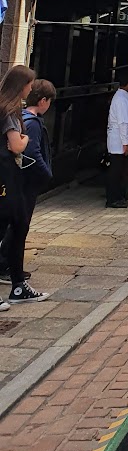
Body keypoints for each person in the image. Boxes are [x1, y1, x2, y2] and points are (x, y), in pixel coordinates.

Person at [0, 65, 49, 305]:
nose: (31, 88)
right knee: (7, 228)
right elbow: (17, 145)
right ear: (21, 85)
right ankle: (17, 284)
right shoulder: (8, 111)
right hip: (5, 176)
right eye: (29, 84)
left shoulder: (12, 109)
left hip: (12, 176)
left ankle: (18, 286)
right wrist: (25, 137)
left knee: (20, 225)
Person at [106, 71, 128, 208]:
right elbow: (122, 123)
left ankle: (120, 196)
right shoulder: (120, 99)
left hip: (121, 141)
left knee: (121, 171)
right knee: (116, 171)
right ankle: (113, 198)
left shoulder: (124, 97)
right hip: (118, 142)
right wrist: (125, 143)